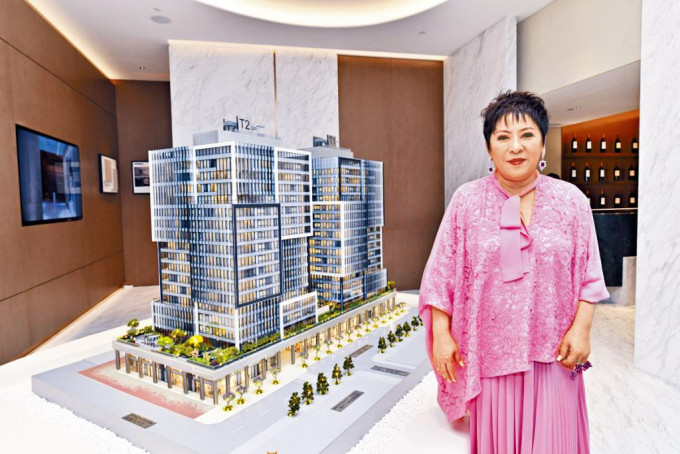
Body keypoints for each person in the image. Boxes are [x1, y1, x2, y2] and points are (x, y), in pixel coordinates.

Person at [418, 90, 609, 453]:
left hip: (554, 353)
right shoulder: (467, 201)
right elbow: (441, 272)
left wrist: (582, 328)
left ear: (543, 142)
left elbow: (590, 273)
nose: (516, 147)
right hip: (490, 355)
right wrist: (442, 334)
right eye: (503, 137)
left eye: (527, 135)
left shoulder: (571, 201)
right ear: (489, 148)